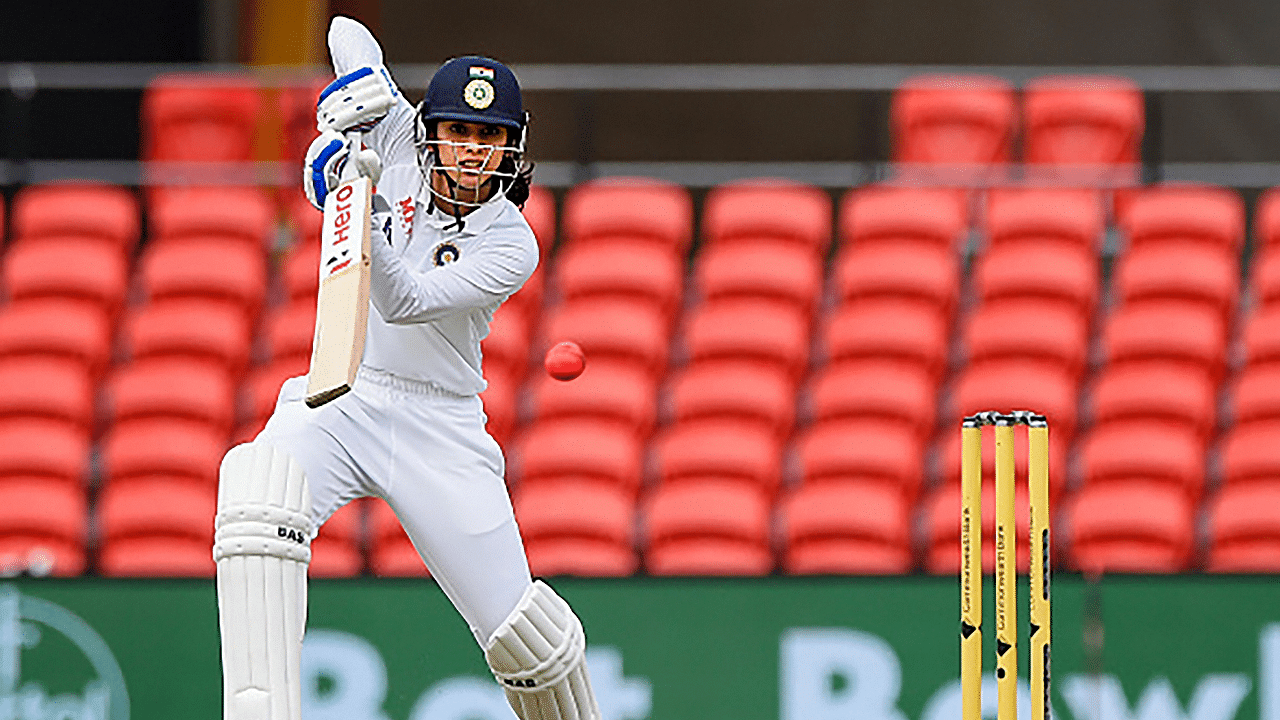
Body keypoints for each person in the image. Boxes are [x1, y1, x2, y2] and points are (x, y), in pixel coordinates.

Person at [213, 16, 602, 720]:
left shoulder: (514, 243)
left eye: (490, 138)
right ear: (429, 129)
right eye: (460, 132)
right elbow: (344, 27)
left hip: (441, 425)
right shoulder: (393, 136)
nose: (474, 152)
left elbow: (408, 300)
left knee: (528, 640)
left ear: (512, 148)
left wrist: (351, 204)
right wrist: (357, 90)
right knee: (255, 496)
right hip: (344, 393)